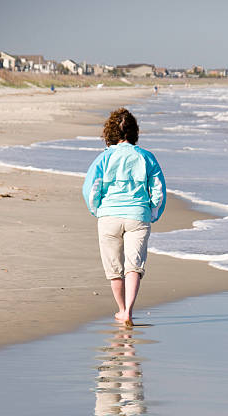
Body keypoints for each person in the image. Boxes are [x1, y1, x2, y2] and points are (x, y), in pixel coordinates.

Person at [82, 107, 166, 327]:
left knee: (114, 269)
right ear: (134, 132)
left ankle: (121, 309)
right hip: (138, 215)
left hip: (109, 216)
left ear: (109, 133)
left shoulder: (104, 158)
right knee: (133, 266)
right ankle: (129, 310)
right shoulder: (146, 156)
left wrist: (97, 210)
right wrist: (153, 213)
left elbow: (91, 188)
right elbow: (158, 189)